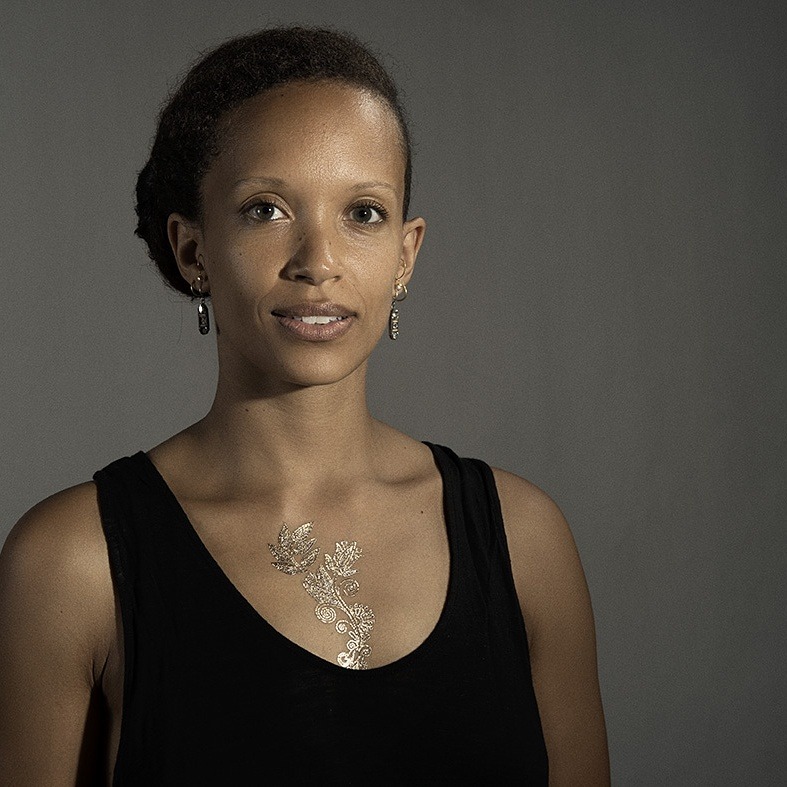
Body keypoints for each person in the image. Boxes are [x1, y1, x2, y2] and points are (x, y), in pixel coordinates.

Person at [0, 26, 609, 785]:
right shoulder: (72, 563)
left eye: (364, 213)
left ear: (405, 255)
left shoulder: (524, 540)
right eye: (265, 210)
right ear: (193, 250)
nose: (318, 262)